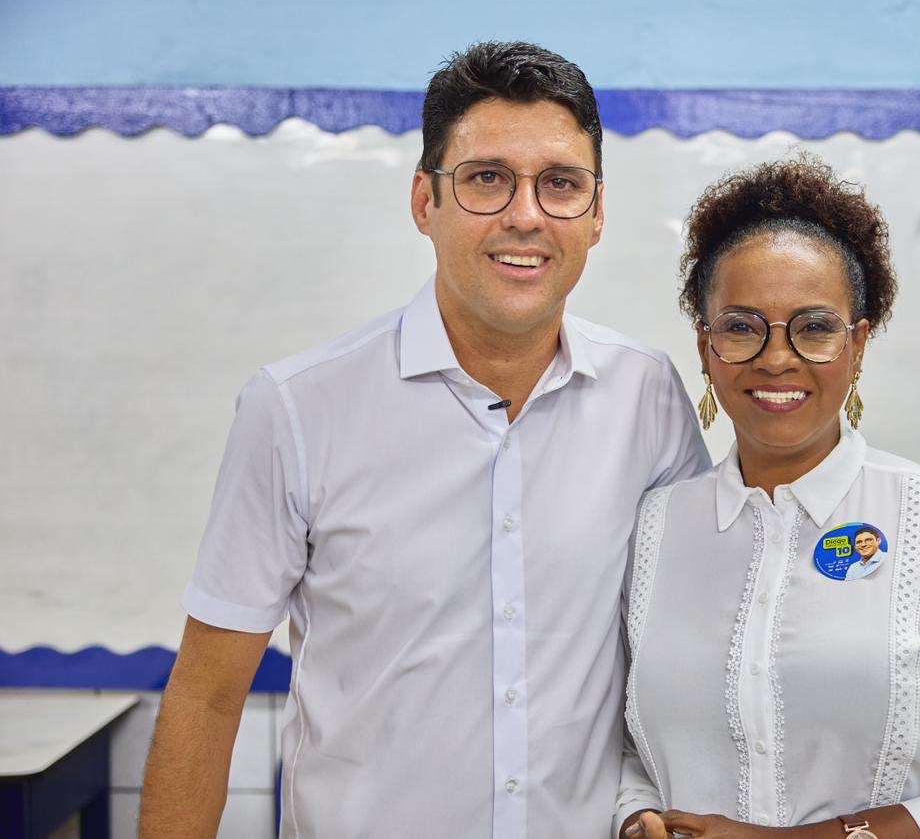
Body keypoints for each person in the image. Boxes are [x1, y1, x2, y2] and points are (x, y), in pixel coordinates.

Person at [139, 41, 709, 839]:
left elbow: (678, 659)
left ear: (597, 213)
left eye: (560, 183)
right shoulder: (298, 409)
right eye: (486, 178)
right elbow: (206, 697)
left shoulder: (647, 398)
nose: (525, 215)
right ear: (423, 201)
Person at [616, 158, 920, 839]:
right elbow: (629, 748)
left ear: (857, 345)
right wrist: (636, 818)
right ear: (705, 347)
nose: (777, 358)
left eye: (814, 327)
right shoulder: (653, 530)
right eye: (741, 327)